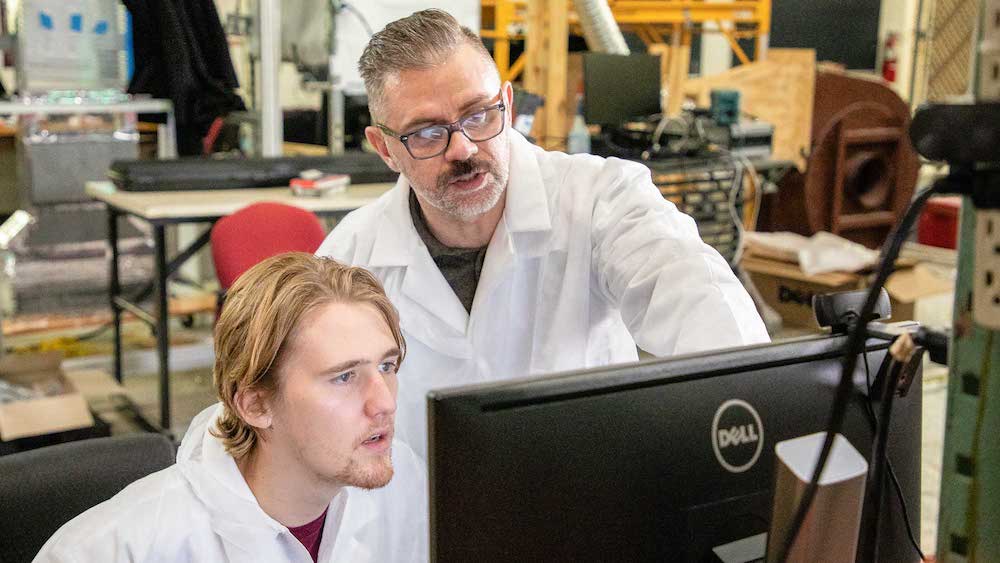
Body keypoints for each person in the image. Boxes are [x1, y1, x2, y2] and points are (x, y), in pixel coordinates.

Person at [317, 9, 769, 459]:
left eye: (479, 116)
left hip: (587, 501)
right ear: (384, 149)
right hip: (420, 523)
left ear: (508, 105)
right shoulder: (351, 255)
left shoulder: (600, 199)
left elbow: (699, 305)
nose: (463, 148)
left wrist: (754, 418)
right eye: (428, 133)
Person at [35, 253, 427, 563]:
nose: (386, 402)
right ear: (256, 405)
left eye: (386, 366)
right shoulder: (112, 550)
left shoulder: (404, 482)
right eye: (344, 377)